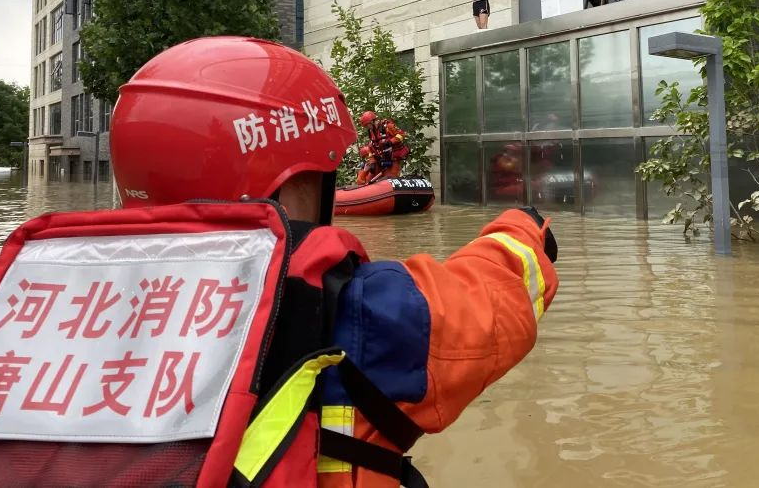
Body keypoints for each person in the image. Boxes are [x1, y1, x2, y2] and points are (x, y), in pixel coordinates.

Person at [109, 37, 560, 488]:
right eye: (320, 174)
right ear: (278, 185)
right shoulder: (355, 310)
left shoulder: (70, 310)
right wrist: (524, 229)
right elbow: (487, 301)